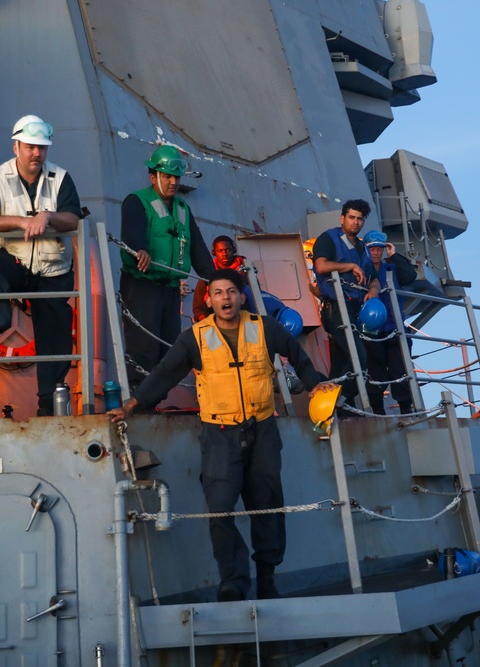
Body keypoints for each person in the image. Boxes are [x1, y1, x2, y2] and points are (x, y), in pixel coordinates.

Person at [109, 269, 334, 602]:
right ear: (209, 299)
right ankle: (233, 579)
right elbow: (165, 373)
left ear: (241, 297)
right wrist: (133, 403)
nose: (225, 298)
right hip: (219, 434)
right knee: (219, 508)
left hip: (262, 429)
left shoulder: (264, 328)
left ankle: (267, 577)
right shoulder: (195, 337)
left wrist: (314, 383)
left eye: (231, 292)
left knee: (267, 506)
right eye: (218, 293)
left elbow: (297, 354)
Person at [0, 115, 82, 416]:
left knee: (55, 335)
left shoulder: (61, 177)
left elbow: (72, 218)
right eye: (30, 147)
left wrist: (47, 216)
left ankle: (48, 406)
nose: (36, 154)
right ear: (16, 147)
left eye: (41, 148)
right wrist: (21, 221)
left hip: (52, 270)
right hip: (15, 259)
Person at [119, 145, 214, 388]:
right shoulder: (137, 201)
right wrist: (139, 250)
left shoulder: (183, 209)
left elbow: (199, 250)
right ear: (153, 176)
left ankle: (154, 398)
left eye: (176, 177)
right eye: (167, 176)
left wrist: (216, 279)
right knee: (143, 346)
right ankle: (138, 398)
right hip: (142, 286)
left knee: (168, 347)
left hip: (170, 288)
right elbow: (133, 235)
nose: (173, 182)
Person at [312, 199, 380, 403]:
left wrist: (374, 291)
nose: (355, 222)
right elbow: (321, 266)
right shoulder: (328, 238)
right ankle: (339, 399)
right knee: (358, 357)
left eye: (360, 219)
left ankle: (337, 405)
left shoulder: (363, 248)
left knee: (341, 363)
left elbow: (374, 277)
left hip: (356, 309)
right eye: (351, 217)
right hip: (336, 307)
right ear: (342, 218)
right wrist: (349, 266)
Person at [361, 230, 414, 415]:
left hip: (394, 328)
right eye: (372, 249)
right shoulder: (361, 272)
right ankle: (377, 410)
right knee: (375, 372)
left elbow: (410, 277)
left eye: (379, 249)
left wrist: (395, 256)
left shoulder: (391, 268)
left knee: (400, 369)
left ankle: (406, 408)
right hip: (370, 331)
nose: (376, 252)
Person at [192, 235, 247, 321]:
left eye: (227, 250)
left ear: (233, 250)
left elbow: (255, 300)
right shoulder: (208, 274)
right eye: (220, 251)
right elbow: (197, 308)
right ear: (214, 253)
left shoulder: (245, 272)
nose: (224, 254)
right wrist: (208, 323)